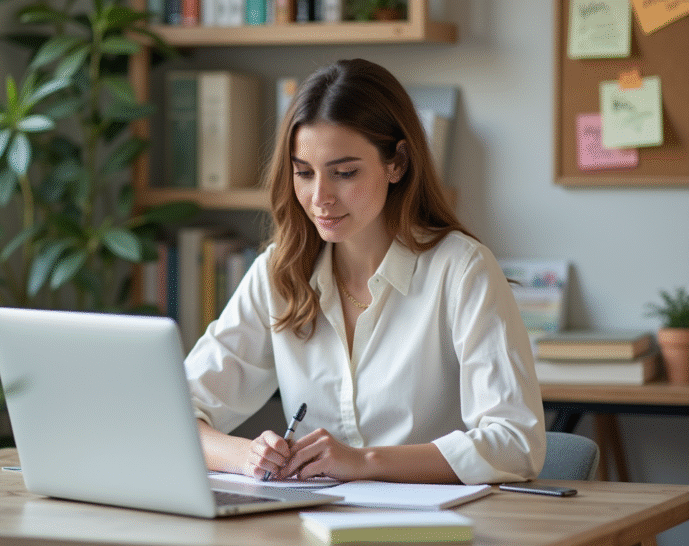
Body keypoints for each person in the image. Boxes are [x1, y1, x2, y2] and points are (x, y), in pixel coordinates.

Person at [184, 58, 545, 485]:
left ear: (397, 163)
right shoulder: (279, 273)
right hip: (314, 531)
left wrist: (362, 461)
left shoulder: (462, 270)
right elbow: (173, 411)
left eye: (345, 173)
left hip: (436, 536)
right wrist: (249, 456)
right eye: (304, 173)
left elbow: (516, 442)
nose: (320, 198)